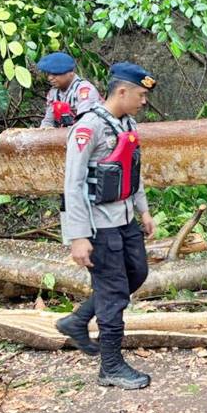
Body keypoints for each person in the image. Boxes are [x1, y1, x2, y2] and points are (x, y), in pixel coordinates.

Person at [57, 62, 157, 390]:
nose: (144, 101)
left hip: (125, 218)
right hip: (99, 226)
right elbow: (72, 184)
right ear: (122, 91)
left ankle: (78, 319)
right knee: (113, 293)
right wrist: (78, 236)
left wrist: (143, 211)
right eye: (141, 95)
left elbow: (133, 170)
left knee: (137, 274)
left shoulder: (127, 123)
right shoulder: (89, 127)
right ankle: (110, 367)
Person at [36, 52, 102, 128]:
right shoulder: (54, 93)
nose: (50, 78)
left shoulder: (84, 90)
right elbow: (48, 121)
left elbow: (86, 123)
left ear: (71, 73)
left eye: (55, 73)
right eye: (48, 74)